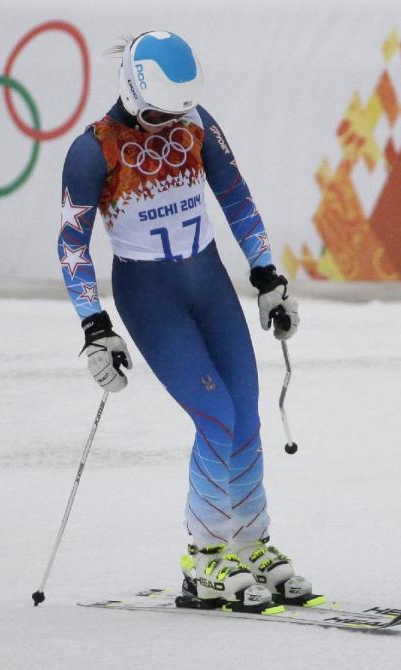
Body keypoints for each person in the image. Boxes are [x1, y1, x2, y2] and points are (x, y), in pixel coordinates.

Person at [57, 30, 304, 607]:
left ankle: (251, 541)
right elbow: (71, 245)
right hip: (151, 297)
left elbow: (236, 197)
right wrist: (95, 327)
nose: (169, 125)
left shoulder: (196, 125)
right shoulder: (91, 151)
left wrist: (268, 277)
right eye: (156, 114)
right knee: (216, 416)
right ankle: (205, 558)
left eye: (178, 112)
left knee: (245, 411)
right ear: (130, 91)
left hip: (210, 284)